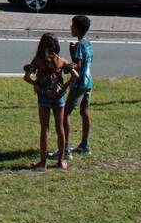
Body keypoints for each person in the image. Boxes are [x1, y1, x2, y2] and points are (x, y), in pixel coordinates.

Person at [23, 32, 75, 169]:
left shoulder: (38, 61)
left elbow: (26, 77)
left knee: (44, 128)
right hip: (59, 97)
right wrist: (64, 87)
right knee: (60, 128)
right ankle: (60, 162)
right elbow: (75, 75)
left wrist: (37, 84)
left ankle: (42, 162)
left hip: (44, 97)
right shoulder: (60, 60)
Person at [51, 15, 93, 161]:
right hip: (89, 82)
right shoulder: (88, 43)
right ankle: (85, 145)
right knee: (84, 111)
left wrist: (65, 66)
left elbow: (77, 66)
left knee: (65, 114)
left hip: (79, 83)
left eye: (72, 26)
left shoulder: (79, 45)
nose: (70, 28)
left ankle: (66, 148)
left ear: (77, 28)